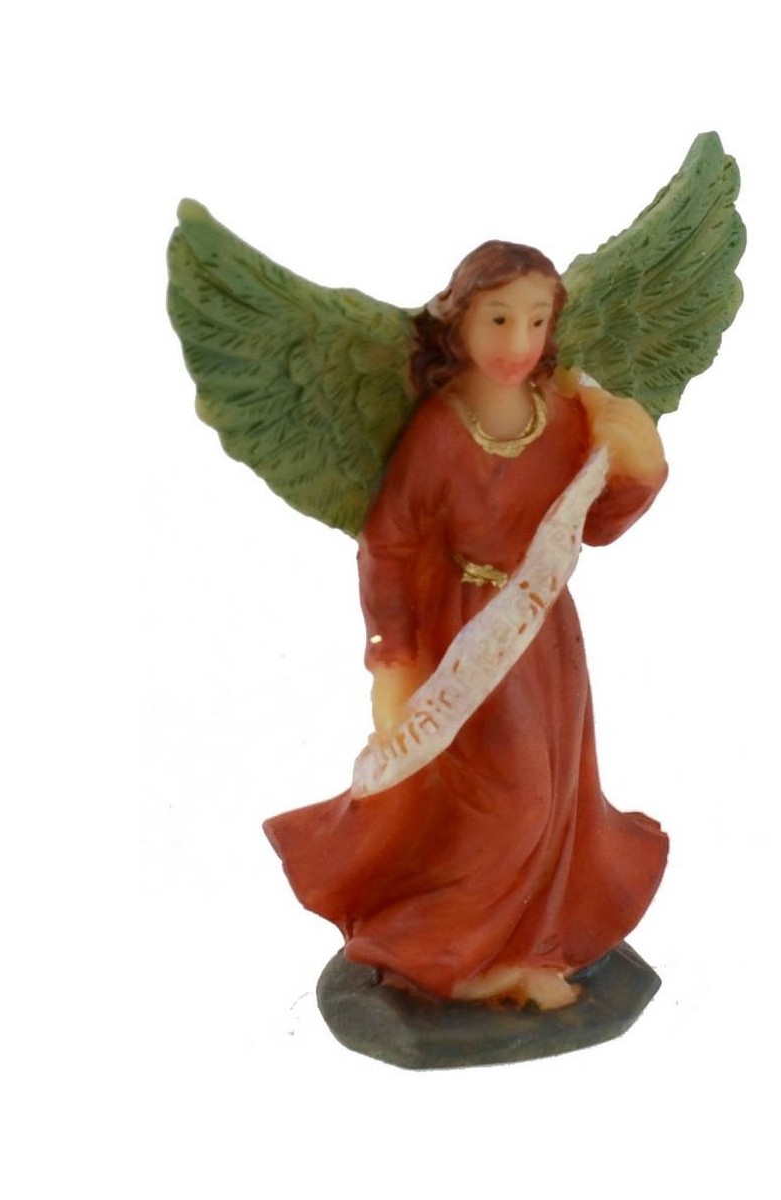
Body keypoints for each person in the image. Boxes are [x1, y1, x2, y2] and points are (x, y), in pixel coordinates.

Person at [264, 241, 670, 1009]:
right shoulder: (440, 433)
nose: (520, 342)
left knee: (556, 795)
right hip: (462, 633)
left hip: (544, 637)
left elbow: (595, 526)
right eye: (499, 319)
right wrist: (391, 662)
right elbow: (388, 548)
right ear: (459, 323)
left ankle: (522, 944)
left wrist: (640, 469)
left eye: (538, 321)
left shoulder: (565, 417)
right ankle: (448, 957)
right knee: (509, 800)